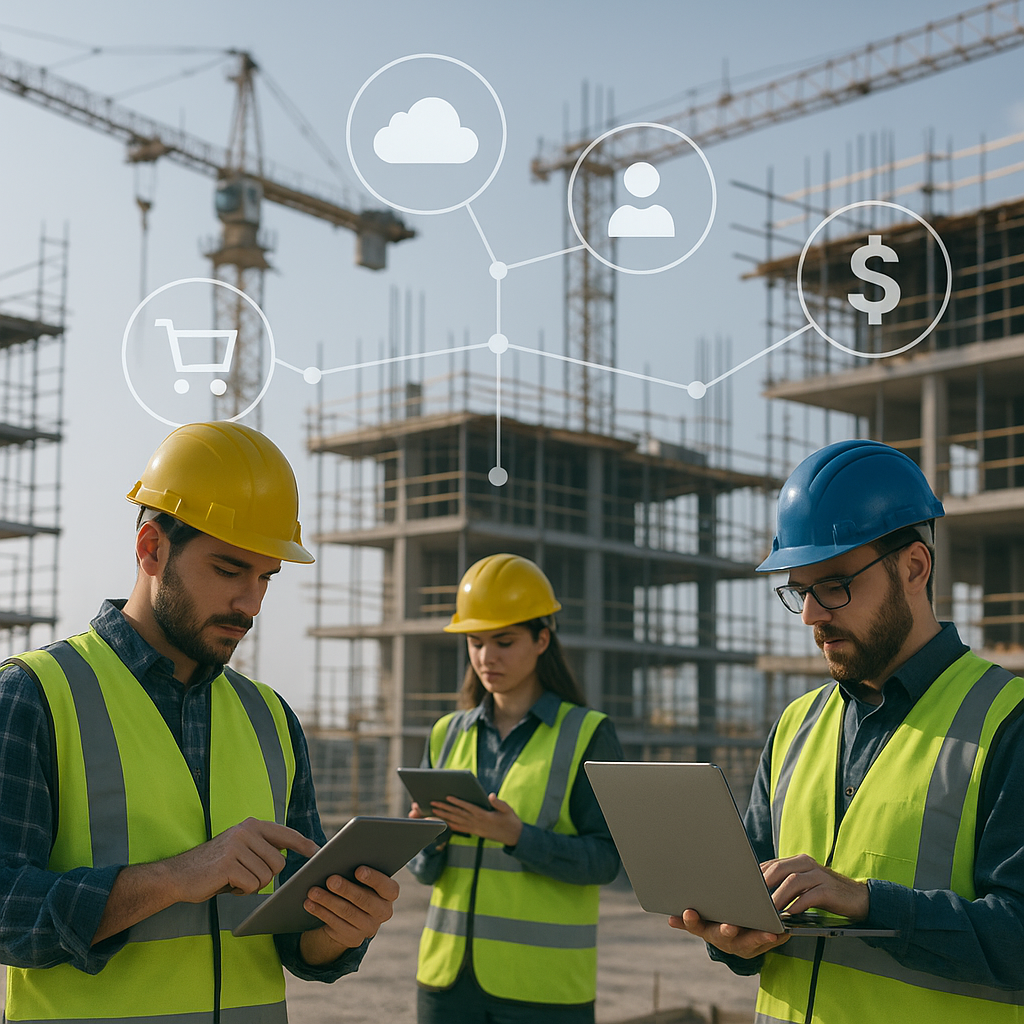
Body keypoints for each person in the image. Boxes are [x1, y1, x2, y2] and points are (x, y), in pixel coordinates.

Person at [0, 421, 399, 1023]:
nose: (251, 603)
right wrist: (175, 877)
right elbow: (7, 912)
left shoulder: (271, 718)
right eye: (229, 570)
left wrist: (341, 928)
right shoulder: (36, 695)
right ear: (152, 549)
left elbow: (300, 942)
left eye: (266, 577)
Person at [673, 439, 1024, 1022]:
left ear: (914, 567)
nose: (812, 615)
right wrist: (730, 935)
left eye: (834, 585)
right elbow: (753, 902)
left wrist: (866, 902)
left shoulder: (1008, 723)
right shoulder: (796, 725)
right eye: (800, 591)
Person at [407, 553, 623, 1024]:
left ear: (542, 639)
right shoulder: (446, 733)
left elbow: (608, 861)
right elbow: (423, 872)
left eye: (503, 642)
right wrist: (426, 837)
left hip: (542, 989)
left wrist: (516, 836)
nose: (487, 658)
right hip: (445, 983)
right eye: (476, 642)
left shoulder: (588, 733)